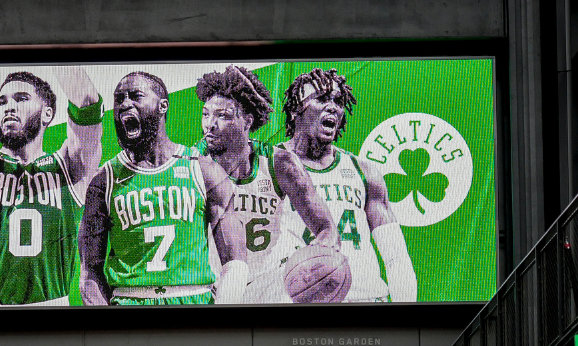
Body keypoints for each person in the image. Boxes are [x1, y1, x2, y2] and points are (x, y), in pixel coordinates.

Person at [80, 71, 250, 306]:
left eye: (136, 96)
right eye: (119, 99)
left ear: (163, 106)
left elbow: (235, 262)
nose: (125, 103)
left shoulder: (203, 170)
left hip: (193, 297)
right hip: (130, 299)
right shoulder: (103, 181)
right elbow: (90, 273)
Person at [0, 66, 102, 306]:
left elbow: (88, 105)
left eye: (21, 99)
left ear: (47, 113)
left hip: (52, 310)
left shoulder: (69, 168)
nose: (9, 106)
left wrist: (56, 45)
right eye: (2, 101)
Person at [193, 65, 335, 304]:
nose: (210, 124)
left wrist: (320, 260)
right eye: (206, 114)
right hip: (212, 285)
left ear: (247, 121)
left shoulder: (279, 163)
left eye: (223, 116)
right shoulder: (191, 165)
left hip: (269, 284)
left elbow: (326, 229)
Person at [279, 68, 417, 303]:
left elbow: (396, 257)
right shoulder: (269, 166)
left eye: (338, 101)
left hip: (365, 304)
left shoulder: (363, 171)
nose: (333, 106)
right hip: (296, 307)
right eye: (322, 99)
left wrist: (407, 318)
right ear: (294, 110)